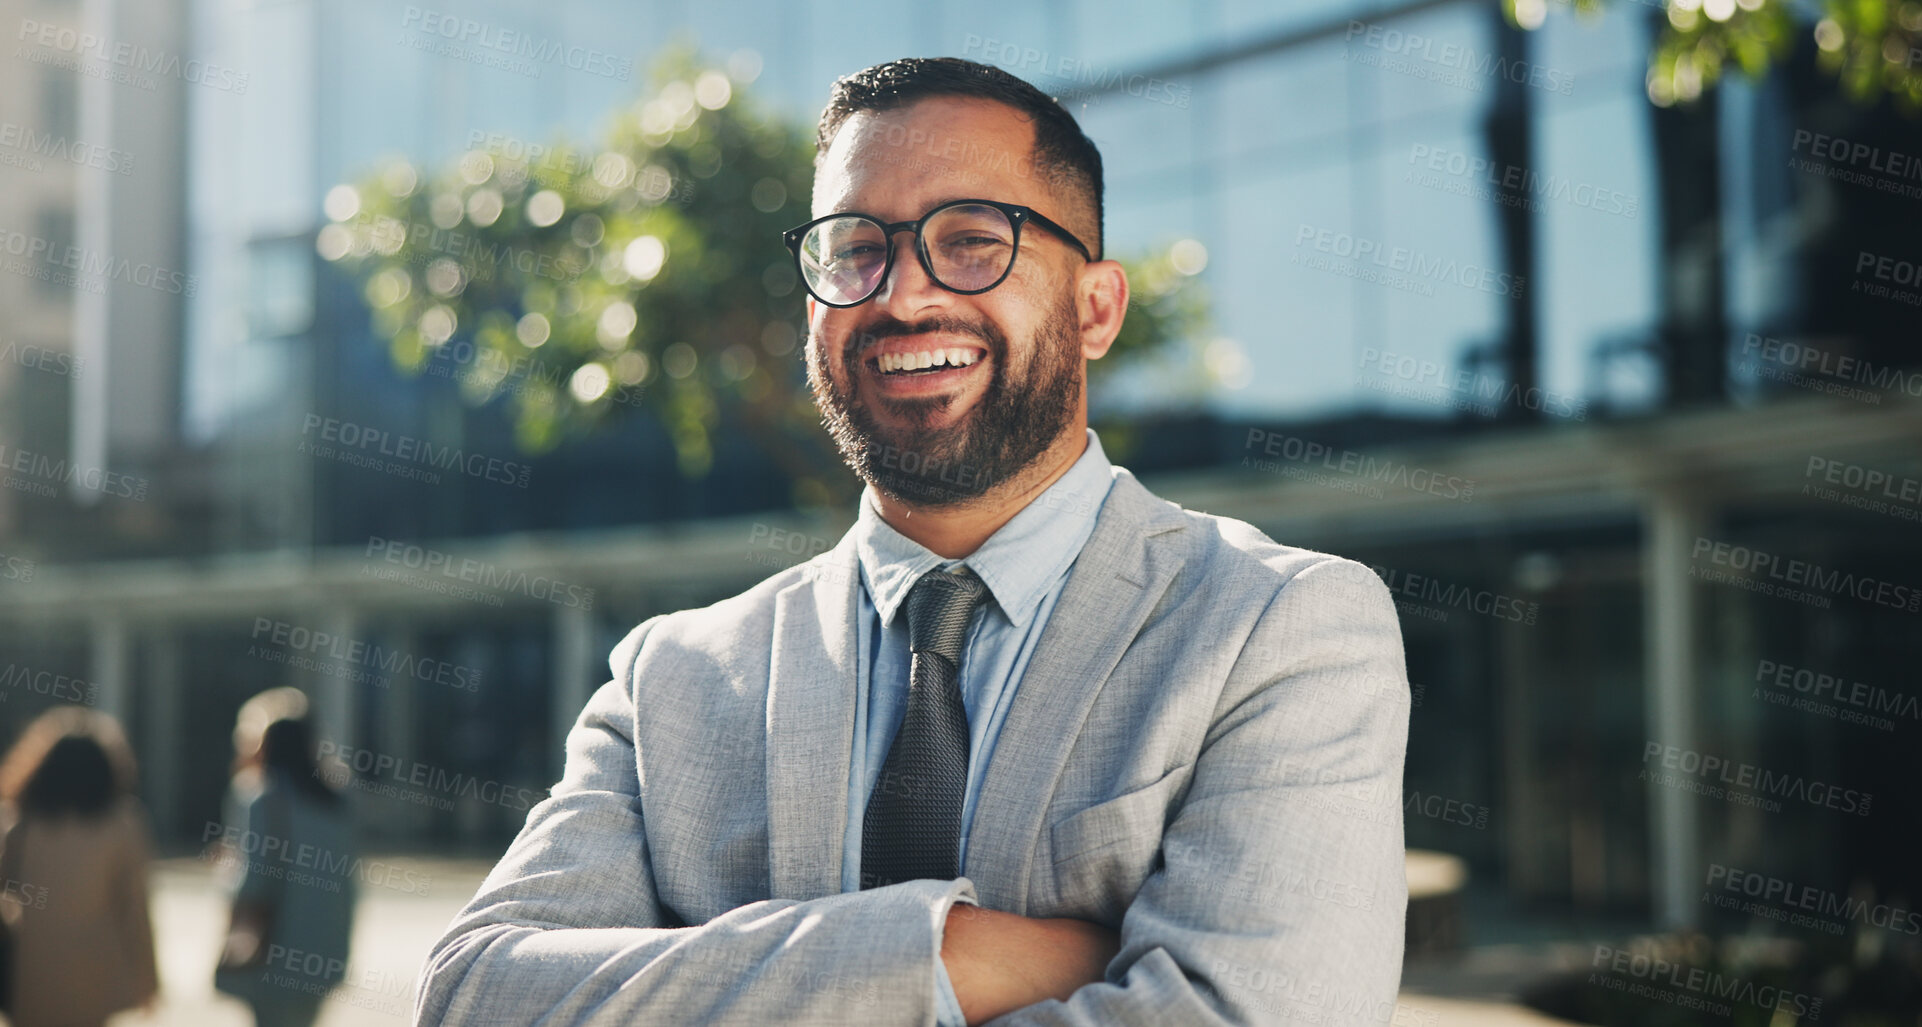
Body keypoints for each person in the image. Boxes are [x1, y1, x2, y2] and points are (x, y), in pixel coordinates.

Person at [417, 57, 1411, 1026]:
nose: (900, 294)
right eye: (855, 249)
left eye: (974, 239)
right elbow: (477, 997)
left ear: (1096, 306)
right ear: (814, 307)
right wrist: (946, 954)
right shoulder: (672, 681)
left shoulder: (1280, 631)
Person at [0, 706, 159, 1027]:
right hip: (95, 974)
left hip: (31, 973)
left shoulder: (21, 823)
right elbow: (135, 909)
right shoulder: (123, 825)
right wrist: (147, 982)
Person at [212, 687, 356, 1027]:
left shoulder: (260, 796)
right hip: (325, 946)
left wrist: (224, 873)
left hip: (275, 947)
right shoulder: (338, 799)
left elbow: (253, 880)